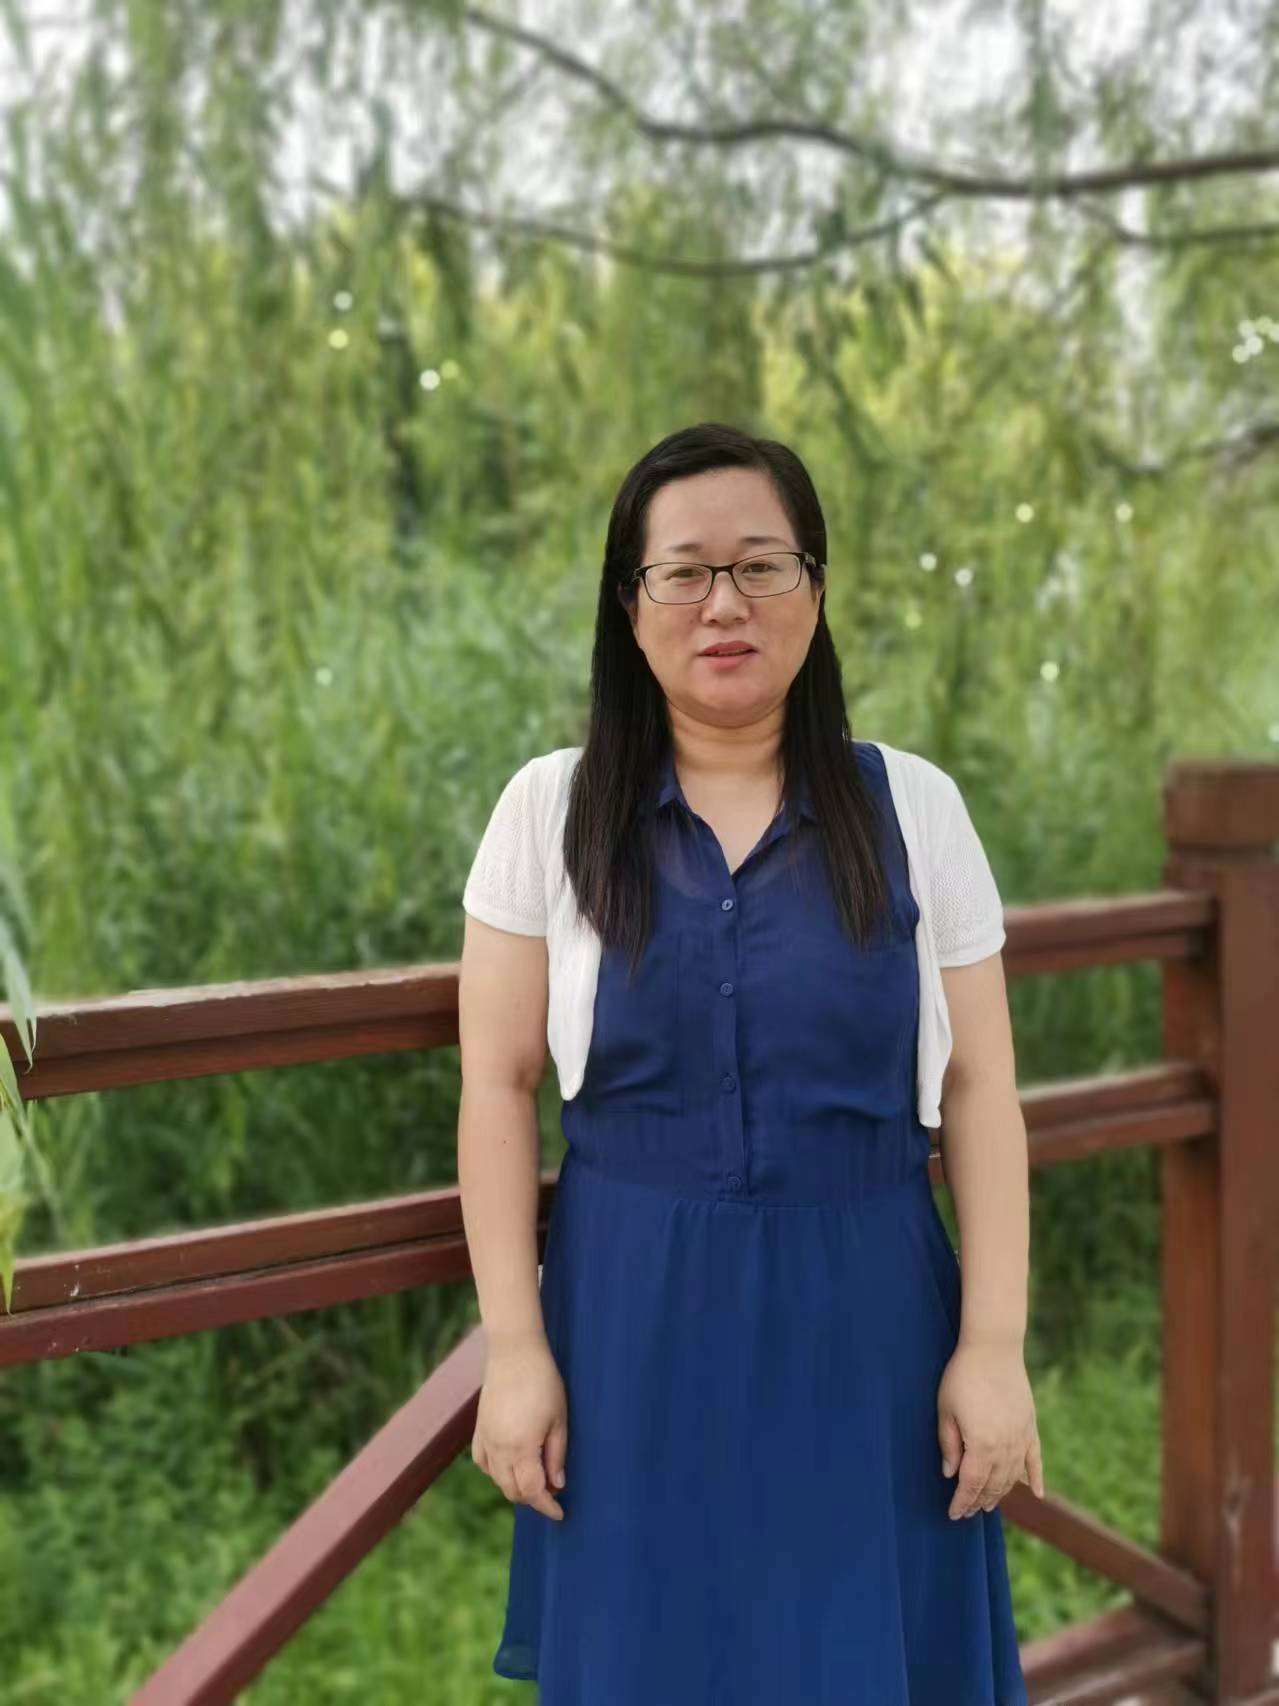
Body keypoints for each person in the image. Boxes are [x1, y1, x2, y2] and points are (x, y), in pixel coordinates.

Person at [458, 420, 1041, 1704]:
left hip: (872, 1335)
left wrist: (993, 1346)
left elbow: (980, 1090)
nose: (723, 603)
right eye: (683, 571)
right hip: (629, 1331)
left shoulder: (916, 809)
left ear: (814, 590)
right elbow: (496, 1085)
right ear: (629, 605)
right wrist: (513, 1346)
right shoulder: (547, 812)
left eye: (761, 565)